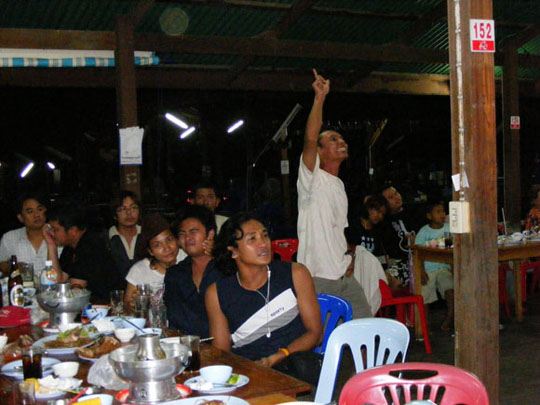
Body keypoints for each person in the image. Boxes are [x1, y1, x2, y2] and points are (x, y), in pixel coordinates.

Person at [206, 213, 322, 384]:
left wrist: (277, 357)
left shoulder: (295, 274)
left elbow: (315, 333)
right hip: (249, 372)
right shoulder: (217, 293)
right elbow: (221, 354)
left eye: (265, 235)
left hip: (293, 365)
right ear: (234, 251)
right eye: (252, 239)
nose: (263, 244)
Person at [296, 68, 371, 318]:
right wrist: (320, 98)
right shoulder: (311, 179)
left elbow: (341, 230)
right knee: (324, 337)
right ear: (318, 151)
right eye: (333, 139)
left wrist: (350, 256)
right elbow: (309, 138)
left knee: (366, 327)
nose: (342, 142)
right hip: (318, 277)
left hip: (344, 275)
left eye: (342, 139)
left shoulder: (338, 185)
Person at [164, 205, 222, 338]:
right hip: (185, 345)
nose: (187, 237)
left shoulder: (227, 268)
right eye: (182, 234)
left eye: (193, 231)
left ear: (210, 234)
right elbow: (173, 319)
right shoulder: (175, 274)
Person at [43, 206, 121, 300]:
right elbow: (57, 280)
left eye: (55, 230)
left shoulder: (91, 245)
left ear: (73, 231)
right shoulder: (71, 246)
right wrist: (51, 244)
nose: (51, 233)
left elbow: (75, 291)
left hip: (103, 304)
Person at [124, 213, 178, 311]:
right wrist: (132, 304)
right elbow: (127, 307)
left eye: (169, 240)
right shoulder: (139, 270)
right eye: (158, 245)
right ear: (150, 251)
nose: (167, 248)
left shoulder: (187, 259)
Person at [414, 201, 454, 331]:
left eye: (443, 211)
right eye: (438, 212)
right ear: (429, 216)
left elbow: (452, 248)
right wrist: (421, 271)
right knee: (424, 295)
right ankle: (425, 326)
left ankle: (450, 317)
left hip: (444, 267)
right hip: (428, 269)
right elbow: (417, 252)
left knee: (450, 288)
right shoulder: (424, 232)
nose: (442, 214)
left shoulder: (448, 229)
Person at [379, 185, 424, 287]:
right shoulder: (384, 222)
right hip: (398, 261)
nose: (396, 198)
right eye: (391, 197)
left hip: (420, 258)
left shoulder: (414, 212)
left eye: (396, 193)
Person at [0, 194, 51, 276]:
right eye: (30, 212)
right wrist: (12, 266)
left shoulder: (57, 234)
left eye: (40, 209)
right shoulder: (9, 238)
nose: (37, 215)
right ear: (20, 217)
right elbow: (1, 266)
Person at [109, 191, 142, 281]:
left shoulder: (147, 236)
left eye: (133, 207)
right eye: (123, 209)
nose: (129, 212)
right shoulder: (106, 239)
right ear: (115, 215)